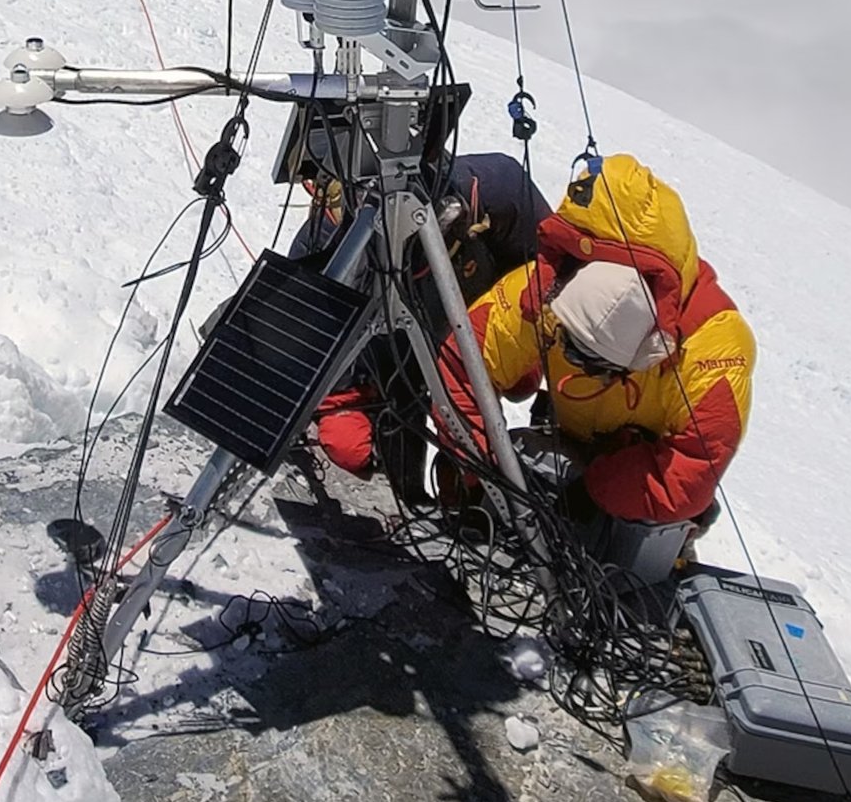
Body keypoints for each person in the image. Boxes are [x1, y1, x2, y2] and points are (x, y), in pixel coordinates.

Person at [458, 153, 753, 537]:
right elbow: (461, 363)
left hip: (639, 467)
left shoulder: (714, 351)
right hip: (572, 435)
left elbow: (693, 470)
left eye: (592, 360)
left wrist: (597, 491)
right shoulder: (543, 291)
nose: (573, 363)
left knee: (637, 548)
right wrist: (475, 461)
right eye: (567, 343)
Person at [308, 150, 549, 487]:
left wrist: (524, 337)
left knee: (468, 399)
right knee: (352, 440)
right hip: (384, 356)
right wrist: (342, 399)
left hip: (465, 315)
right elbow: (310, 332)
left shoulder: (492, 188)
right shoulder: (328, 242)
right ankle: (444, 484)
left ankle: (474, 487)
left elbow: (547, 260)